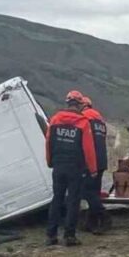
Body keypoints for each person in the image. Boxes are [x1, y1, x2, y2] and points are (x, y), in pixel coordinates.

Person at [44, 91, 98, 246]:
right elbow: (88, 149)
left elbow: (48, 143)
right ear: (80, 105)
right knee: (73, 201)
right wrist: (93, 169)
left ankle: (51, 235)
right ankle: (69, 236)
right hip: (76, 168)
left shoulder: (55, 120)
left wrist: (50, 161)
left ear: (67, 103)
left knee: (57, 199)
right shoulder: (83, 122)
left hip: (59, 166)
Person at [80, 96, 110, 234]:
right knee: (94, 193)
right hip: (102, 160)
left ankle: (104, 217)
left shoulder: (84, 118)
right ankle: (91, 223)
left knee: (87, 192)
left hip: (90, 161)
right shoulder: (100, 119)